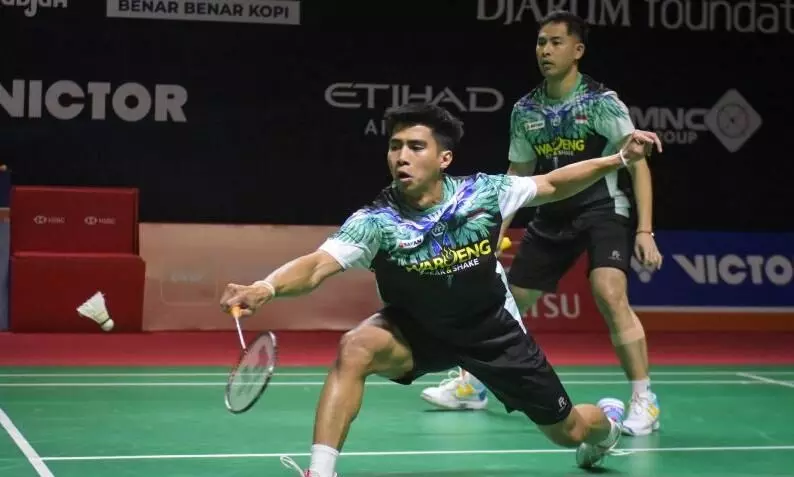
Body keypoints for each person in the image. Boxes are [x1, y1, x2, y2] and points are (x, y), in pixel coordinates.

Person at [220, 102, 662, 477]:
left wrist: (616, 159)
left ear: (444, 158)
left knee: (569, 432)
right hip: (420, 330)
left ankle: (607, 426)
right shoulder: (376, 221)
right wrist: (266, 287)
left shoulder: (483, 193)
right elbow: (318, 264)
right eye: (395, 146)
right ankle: (321, 471)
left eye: (415, 147)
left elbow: (551, 183)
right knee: (355, 347)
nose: (402, 157)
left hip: (493, 332)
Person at [419, 10, 664, 437]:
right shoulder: (526, 110)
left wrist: (645, 231)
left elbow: (637, 163)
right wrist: (494, 231)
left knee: (609, 292)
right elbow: (517, 174)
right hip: (552, 214)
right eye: (540, 42)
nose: (545, 50)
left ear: (577, 50)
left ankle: (645, 400)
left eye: (555, 42)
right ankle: (473, 384)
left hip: (602, 208)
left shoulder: (601, 102)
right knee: (507, 303)